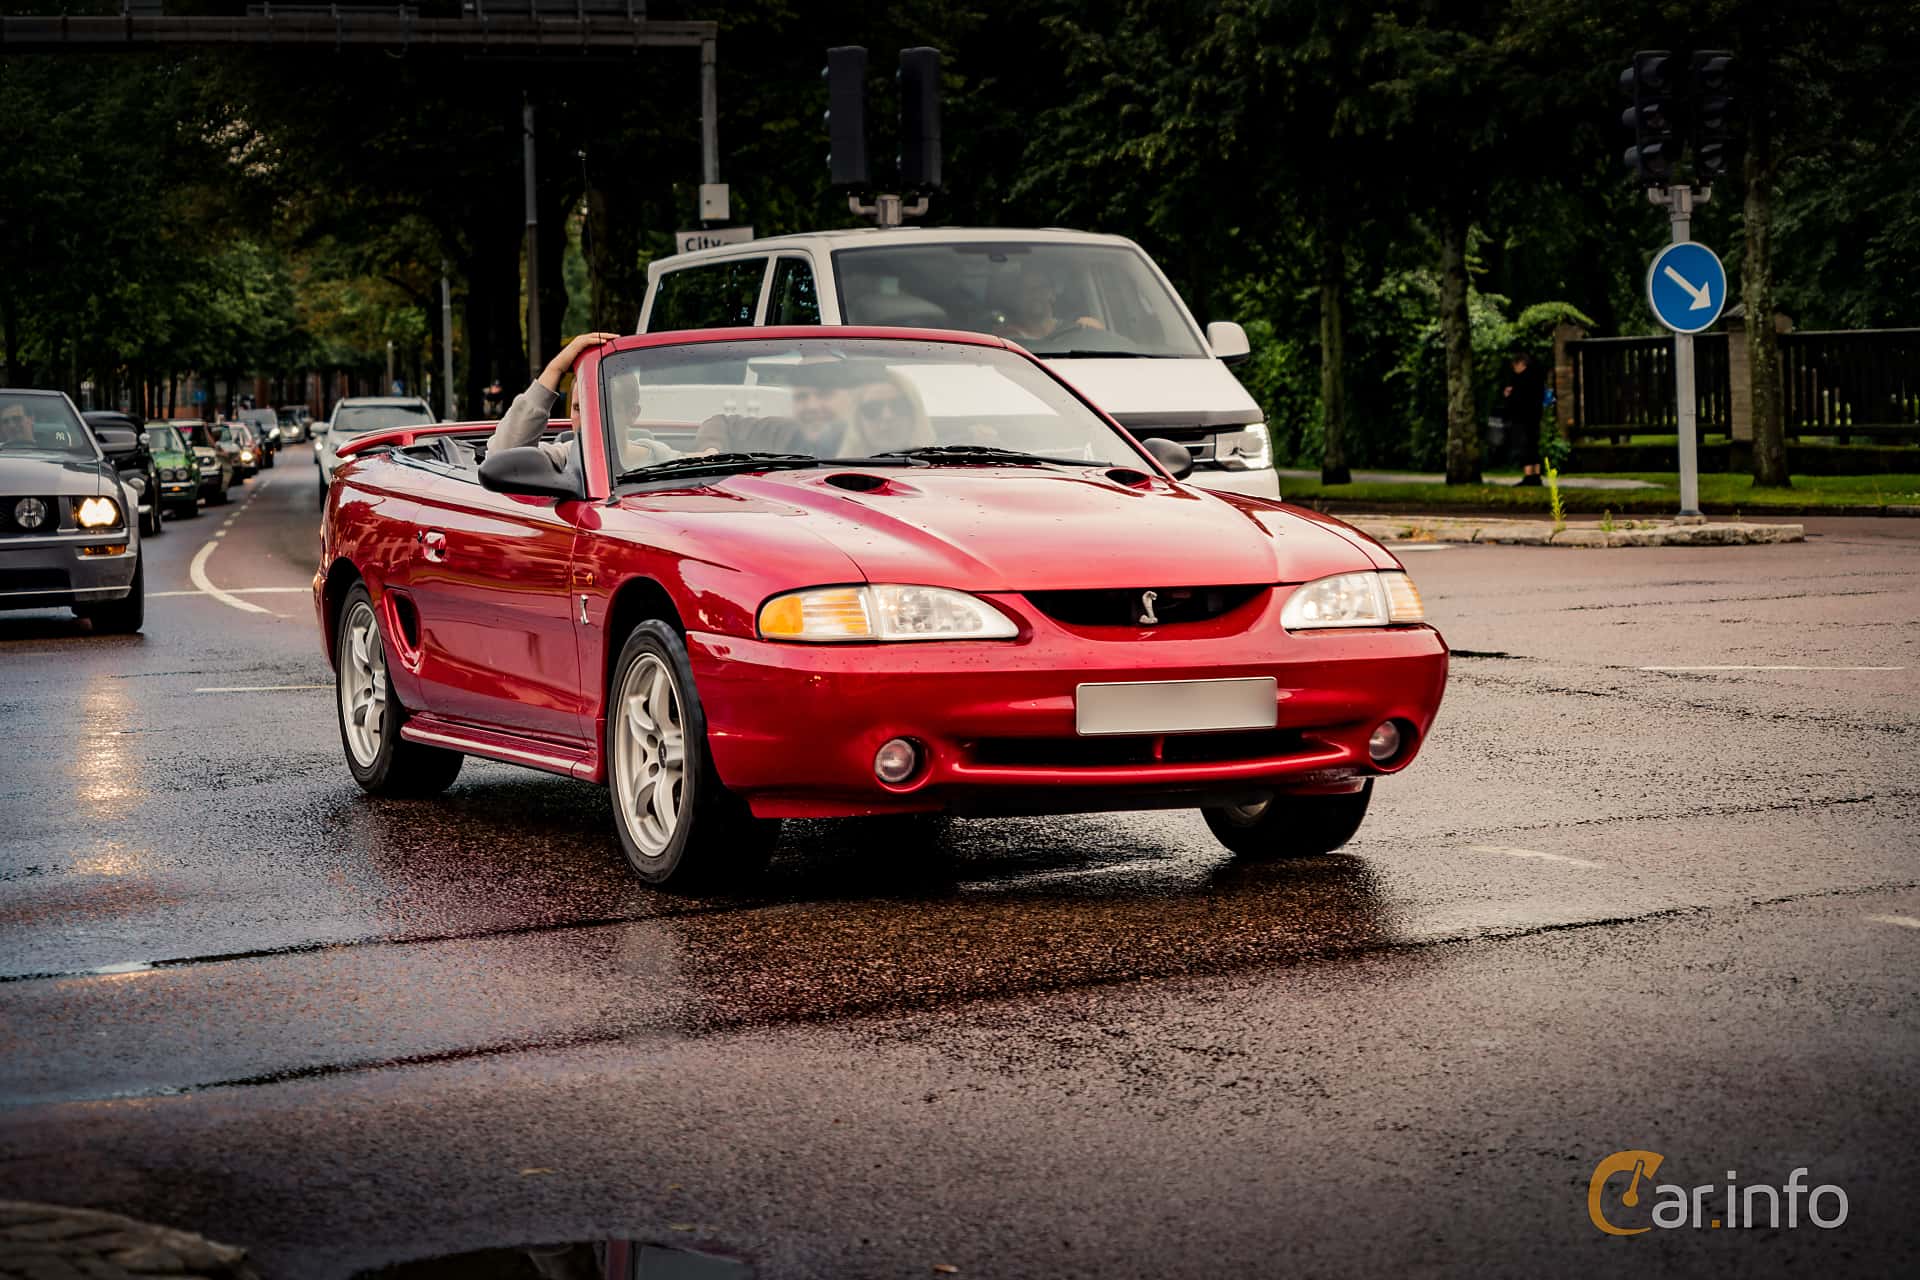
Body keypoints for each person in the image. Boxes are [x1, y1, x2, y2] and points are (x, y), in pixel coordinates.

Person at [486, 331, 621, 470]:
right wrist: (555, 368)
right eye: (578, 409)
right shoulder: (567, 456)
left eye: (602, 407)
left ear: (633, 413)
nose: (587, 419)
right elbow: (501, 458)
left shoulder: (645, 456)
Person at [995, 270, 1103, 344]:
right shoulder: (1005, 339)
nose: (1035, 295)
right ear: (1019, 298)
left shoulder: (1077, 329)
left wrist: (1093, 331)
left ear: (1052, 294)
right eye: (1028, 290)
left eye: (1041, 288)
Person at [845, 366, 934, 454]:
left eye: (899, 406)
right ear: (857, 421)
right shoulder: (838, 466)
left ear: (915, 414)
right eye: (873, 409)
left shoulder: (940, 465)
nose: (887, 416)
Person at [1500, 350, 1549, 484]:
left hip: (1523, 417)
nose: (1514, 369)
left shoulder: (1521, 379)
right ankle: (1536, 475)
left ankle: (1528, 475)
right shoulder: (1537, 377)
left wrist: (1508, 395)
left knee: (1525, 445)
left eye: (1515, 366)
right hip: (1536, 415)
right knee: (1534, 445)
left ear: (1521, 364)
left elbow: (1518, 399)